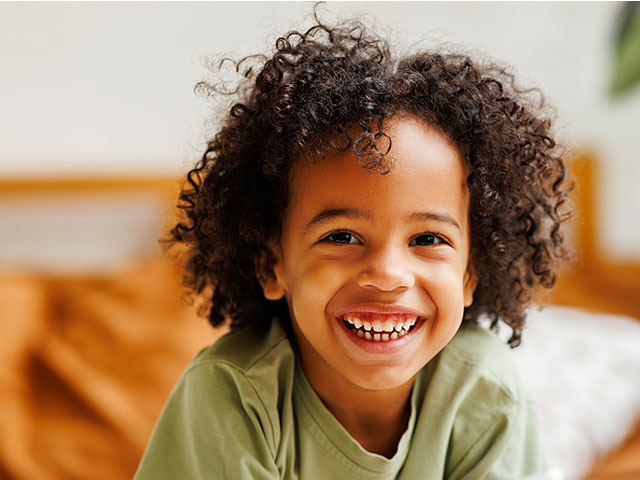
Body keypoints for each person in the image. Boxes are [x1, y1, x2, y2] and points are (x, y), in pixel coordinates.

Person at [135, 11, 570, 480]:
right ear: (270, 263)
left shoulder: (484, 389)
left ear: (471, 272)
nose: (386, 274)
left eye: (427, 238)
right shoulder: (234, 395)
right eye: (341, 236)